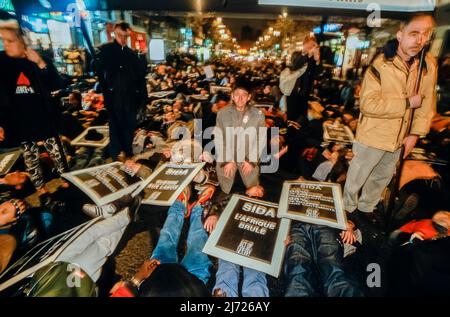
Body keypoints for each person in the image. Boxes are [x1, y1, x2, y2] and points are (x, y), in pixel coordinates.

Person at [343, 14, 437, 235]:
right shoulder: (381, 64)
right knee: (358, 175)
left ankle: (366, 208)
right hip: (373, 134)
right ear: (400, 35)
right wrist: (405, 103)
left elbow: (426, 103)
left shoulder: (427, 65)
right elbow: (368, 104)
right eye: (414, 34)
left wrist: (415, 134)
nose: (420, 40)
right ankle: (347, 210)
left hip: (399, 137)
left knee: (382, 177)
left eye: (426, 34)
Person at [0, 20, 67, 189]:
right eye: (3, 41)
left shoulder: (37, 59)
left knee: (57, 153)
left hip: (44, 118)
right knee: (31, 159)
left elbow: (57, 84)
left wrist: (40, 63)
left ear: (22, 41)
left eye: (10, 41)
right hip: (21, 122)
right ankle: (41, 191)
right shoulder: (2, 62)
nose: (6, 45)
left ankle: (67, 182)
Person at [93, 21, 148, 161]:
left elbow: (141, 76)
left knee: (128, 127)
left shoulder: (132, 55)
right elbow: (95, 67)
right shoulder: (106, 50)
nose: (122, 39)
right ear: (114, 34)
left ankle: (127, 154)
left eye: (125, 36)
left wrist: (142, 59)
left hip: (130, 98)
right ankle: (117, 156)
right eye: (119, 35)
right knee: (116, 128)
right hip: (114, 97)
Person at [215, 77, 266, 195]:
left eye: (244, 94)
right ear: (232, 96)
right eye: (237, 94)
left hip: (247, 164)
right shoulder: (222, 113)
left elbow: (261, 140)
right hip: (227, 165)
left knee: (251, 195)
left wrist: (251, 161)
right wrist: (228, 160)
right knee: (226, 195)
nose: (240, 98)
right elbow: (219, 139)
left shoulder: (258, 115)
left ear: (249, 97)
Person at [279, 35, 321, 122]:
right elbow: (296, 65)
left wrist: (317, 61)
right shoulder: (296, 54)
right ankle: (290, 134)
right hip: (293, 91)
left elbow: (316, 74)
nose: (311, 47)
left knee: (302, 118)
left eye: (313, 45)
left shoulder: (312, 59)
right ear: (304, 44)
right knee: (292, 117)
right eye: (310, 44)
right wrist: (309, 54)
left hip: (305, 92)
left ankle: (299, 134)